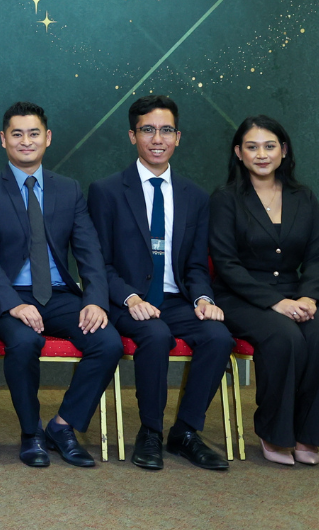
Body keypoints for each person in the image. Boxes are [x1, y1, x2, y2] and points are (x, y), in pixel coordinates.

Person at [0, 101, 121, 468]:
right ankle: (31, 431)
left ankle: (63, 425)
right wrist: (13, 304)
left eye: (33, 133)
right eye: (16, 134)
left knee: (107, 341)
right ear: (3, 140)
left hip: (61, 295)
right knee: (23, 341)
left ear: (47, 138)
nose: (25, 141)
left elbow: (90, 253)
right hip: (6, 297)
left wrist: (96, 300)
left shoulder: (68, 190)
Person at [87, 95, 233, 471]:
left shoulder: (195, 197)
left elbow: (197, 265)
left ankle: (185, 432)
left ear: (178, 137)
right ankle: (150, 431)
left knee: (219, 337)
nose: (157, 138)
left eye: (166, 130)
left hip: (175, 299)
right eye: (148, 129)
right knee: (154, 335)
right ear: (132, 135)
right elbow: (96, 262)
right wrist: (129, 297)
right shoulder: (106, 191)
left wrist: (202, 297)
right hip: (127, 301)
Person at [209, 115, 319, 466]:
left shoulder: (303, 197)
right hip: (241, 296)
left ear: (284, 151)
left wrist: (308, 297)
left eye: (270, 146)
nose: (262, 154)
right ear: (239, 154)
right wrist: (275, 302)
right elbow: (226, 265)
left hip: (297, 292)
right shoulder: (226, 198)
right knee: (285, 338)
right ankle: (273, 431)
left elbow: (318, 257)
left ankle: (308, 432)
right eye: (252, 147)